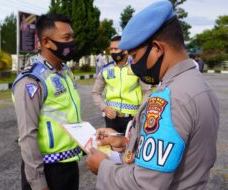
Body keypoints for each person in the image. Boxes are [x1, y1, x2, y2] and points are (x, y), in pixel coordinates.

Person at [86, 1, 219, 189]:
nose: (133, 63)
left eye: (135, 56)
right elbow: (176, 150)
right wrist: (126, 142)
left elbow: (145, 184)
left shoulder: (171, 98)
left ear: (157, 49)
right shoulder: (196, 84)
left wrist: (103, 167)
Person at [12, 14, 83, 190]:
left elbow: (67, 115)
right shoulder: (31, 79)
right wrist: (38, 183)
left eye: (72, 36)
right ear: (46, 42)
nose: (71, 42)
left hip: (70, 165)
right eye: (66, 38)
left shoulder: (65, 72)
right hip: (48, 171)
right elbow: (27, 136)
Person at [92, 34, 150, 134]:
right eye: (111, 49)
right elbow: (96, 93)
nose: (113, 52)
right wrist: (104, 107)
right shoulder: (105, 69)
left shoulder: (137, 68)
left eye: (116, 49)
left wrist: (140, 112)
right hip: (111, 120)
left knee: (130, 148)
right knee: (112, 148)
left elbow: (147, 91)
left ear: (126, 50)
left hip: (132, 119)